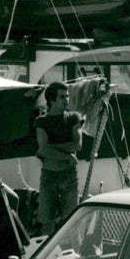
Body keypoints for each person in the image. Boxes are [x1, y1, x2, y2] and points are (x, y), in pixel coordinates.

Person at [34, 81, 83, 235]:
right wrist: (67, 156)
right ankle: (46, 255)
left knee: (72, 220)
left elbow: (77, 145)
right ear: (51, 100)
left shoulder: (74, 118)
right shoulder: (41, 121)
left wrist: (51, 148)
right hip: (49, 176)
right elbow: (43, 149)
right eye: (62, 97)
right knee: (47, 220)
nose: (66, 100)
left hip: (69, 176)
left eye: (67, 96)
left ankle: (73, 253)